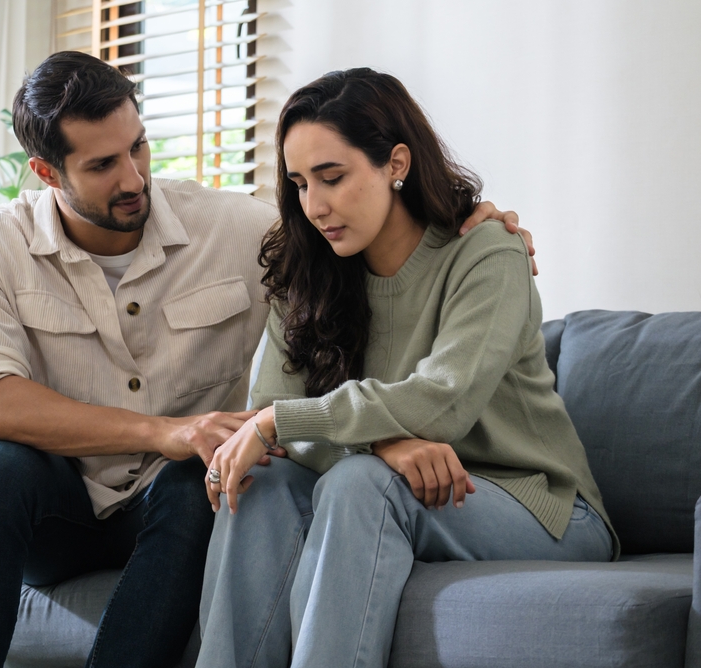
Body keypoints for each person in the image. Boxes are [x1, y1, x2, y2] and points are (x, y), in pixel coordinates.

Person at [0, 53, 530, 668]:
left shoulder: (242, 230)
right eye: (103, 165)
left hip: (179, 499)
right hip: (59, 507)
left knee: (216, 474)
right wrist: (164, 431)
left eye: (138, 148)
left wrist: (480, 224)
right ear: (48, 173)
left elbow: (352, 228)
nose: (134, 178)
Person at [197, 68, 617, 668]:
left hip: (538, 504)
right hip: (400, 487)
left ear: (396, 163)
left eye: (332, 177)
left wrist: (336, 442)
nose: (314, 206)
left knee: (359, 482)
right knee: (262, 485)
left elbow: (440, 402)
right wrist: (381, 445)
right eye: (299, 184)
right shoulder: (309, 274)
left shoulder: (487, 253)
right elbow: (280, 433)